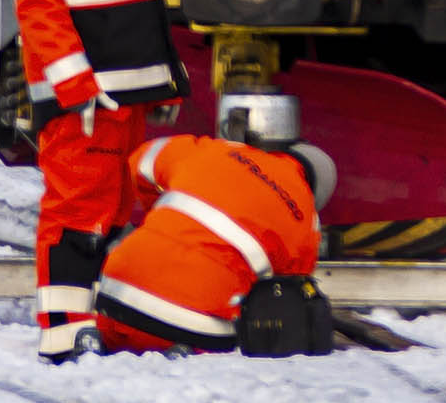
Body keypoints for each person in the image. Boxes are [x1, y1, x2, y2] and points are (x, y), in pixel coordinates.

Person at [9, 0, 188, 361]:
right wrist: (76, 90)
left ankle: (100, 321)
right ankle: (64, 330)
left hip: (121, 98)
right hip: (88, 101)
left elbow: (143, 2)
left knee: (112, 215)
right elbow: (40, 7)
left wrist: (165, 80)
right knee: (76, 216)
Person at [87, 130, 337, 354]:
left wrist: (158, 215)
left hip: (115, 297)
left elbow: (140, 161)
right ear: (315, 195)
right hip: (192, 326)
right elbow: (285, 298)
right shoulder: (306, 220)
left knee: (121, 332)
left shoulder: (222, 150)